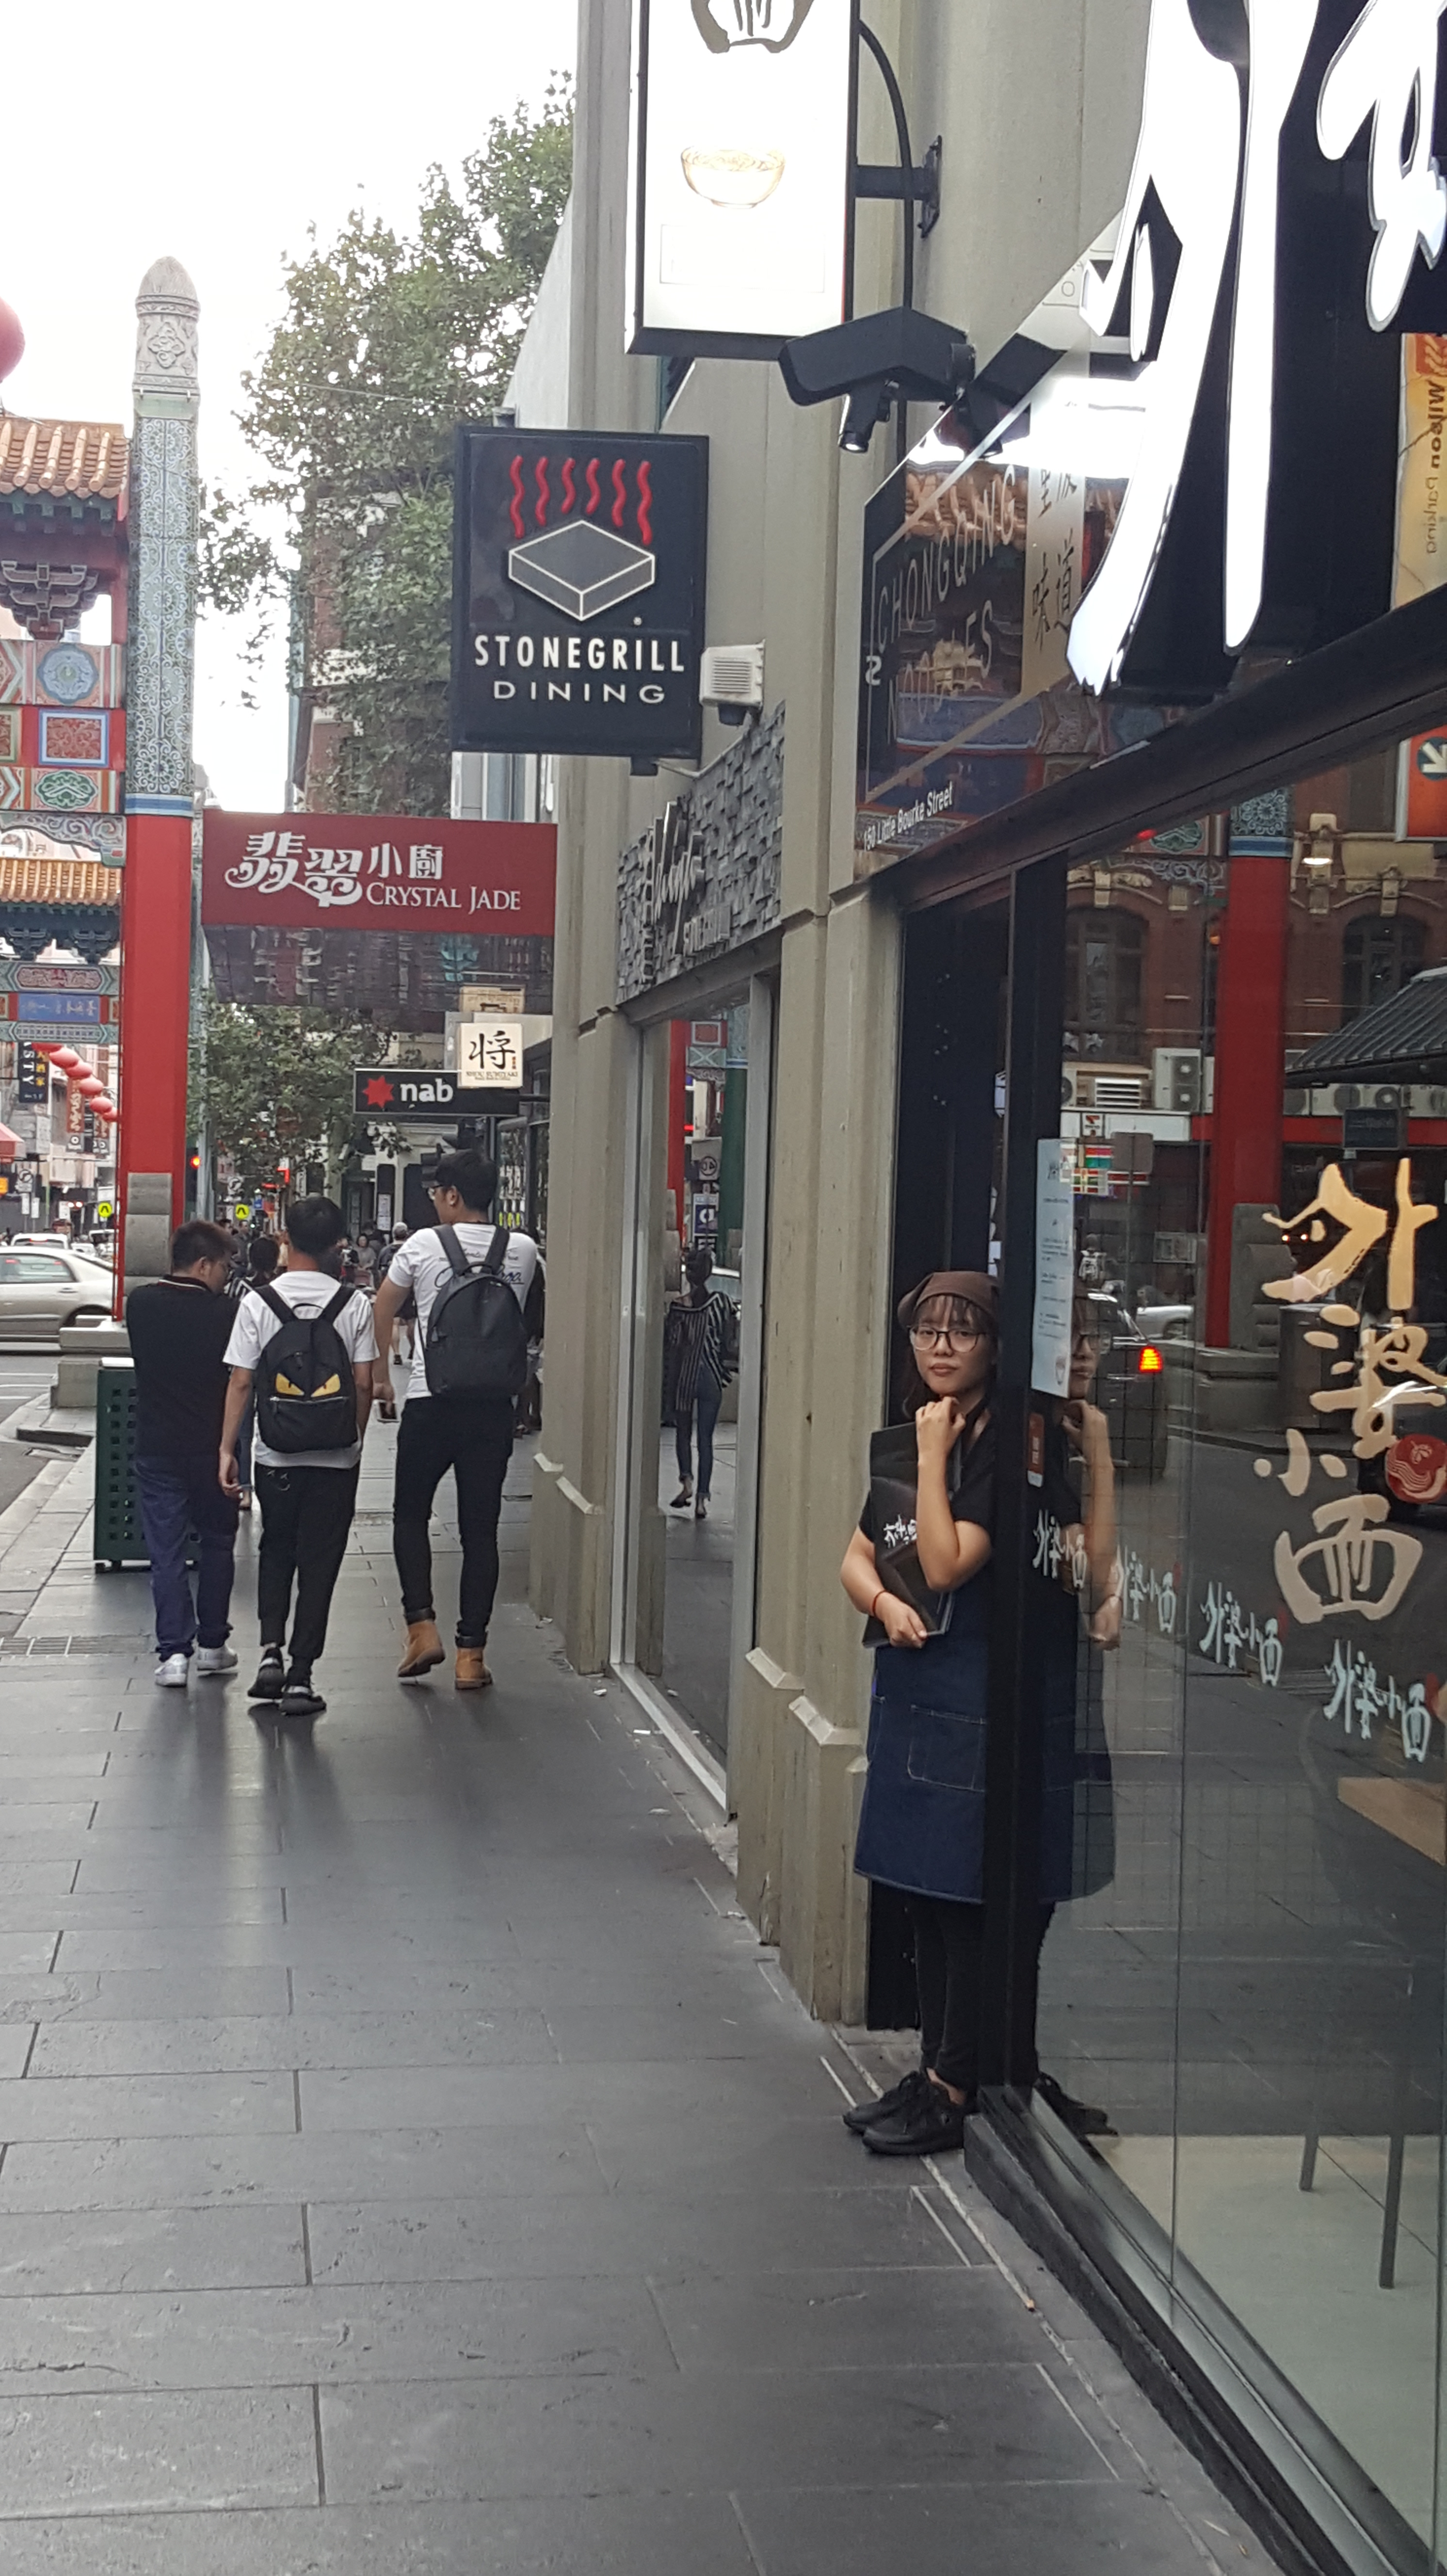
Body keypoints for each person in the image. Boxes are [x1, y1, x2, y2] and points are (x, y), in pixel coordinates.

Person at [838, 1272, 1119, 2157]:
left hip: (986, 1700)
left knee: (977, 1900)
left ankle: (970, 2079)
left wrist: (1098, 1456)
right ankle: (943, 2071)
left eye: (962, 1332)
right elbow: (858, 1555)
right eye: (927, 1330)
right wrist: (883, 1605)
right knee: (927, 1896)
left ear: (996, 1348)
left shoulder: (1008, 1442)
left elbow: (948, 1560)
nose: (941, 1347)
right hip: (922, 1691)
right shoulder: (919, 1429)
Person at [372, 1147, 542, 1690]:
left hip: (431, 1400)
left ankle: (421, 1627)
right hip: (491, 1409)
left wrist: (381, 1377)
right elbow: (532, 1322)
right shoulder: (523, 1249)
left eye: (436, 1193)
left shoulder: (422, 1245)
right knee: (480, 1531)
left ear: (451, 1195)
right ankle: (472, 1655)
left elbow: (382, 1307)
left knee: (409, 1515)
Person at [219, 1195, 376, 1717]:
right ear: (337, 1244)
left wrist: (227, 1448)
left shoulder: (259, 1303)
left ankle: (270, 1650)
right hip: (335, 1457)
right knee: (320, 1560)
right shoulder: (354, 1304)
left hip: (275, 1454)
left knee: (277, 1547)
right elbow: (363, 1382)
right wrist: (352, 1439)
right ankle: (302, 1675)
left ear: (286, 1238)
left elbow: (241, 1382)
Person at [125, 1219, 241, 1690]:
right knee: (217, 1543)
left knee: (166, 1550)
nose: (226, 1277)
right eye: (224, 1267)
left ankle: (174, 1652)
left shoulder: (140, 1304)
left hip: (157, 1445)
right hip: (213, 1447)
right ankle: (213, 1643)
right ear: (204, 1264)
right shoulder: (227, 1312)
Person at [663, 1245, 735, 1519]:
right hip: (711, 1377)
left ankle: (687, 1482)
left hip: (685, 1376)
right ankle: (703, 1500)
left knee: (683, 1433)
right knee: (706, 1439)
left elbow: (672, 1349)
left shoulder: (678, 1307)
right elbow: (728, 1342)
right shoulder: (722, 1303)